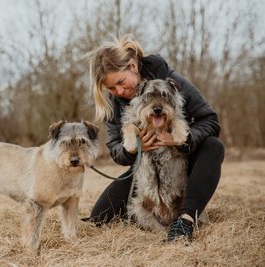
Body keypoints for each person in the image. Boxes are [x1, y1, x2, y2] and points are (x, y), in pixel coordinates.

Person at [85, 35, 225, 242]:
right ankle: (148, 216)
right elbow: (115, 147)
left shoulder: (172, 81)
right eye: (112, 89)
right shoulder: (115, 102)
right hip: (146, 165)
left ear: (132, 66)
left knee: (214, 146)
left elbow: (210, 121)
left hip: (182, 160)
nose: (119, 91)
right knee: (99, 217)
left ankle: (185, 220)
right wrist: (130, 149)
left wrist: (182, 140)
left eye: (121, 82)